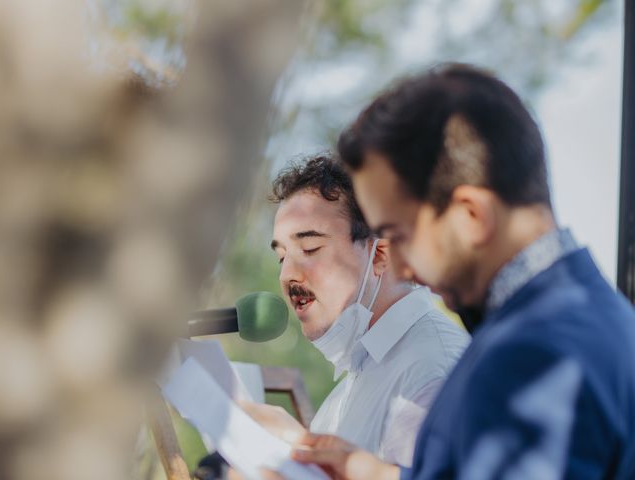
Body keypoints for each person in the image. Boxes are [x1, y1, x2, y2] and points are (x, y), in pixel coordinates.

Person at [272, 64, 635, 479]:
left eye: (398, 233)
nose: (400, 263)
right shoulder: (583, 320)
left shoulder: (532, 356)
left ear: (471, 216)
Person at [253, 153, 469, 467]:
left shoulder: (432, 370)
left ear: (380, 255)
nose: (287, 275)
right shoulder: (346, 392)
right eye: (281, 257)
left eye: (309, 249)